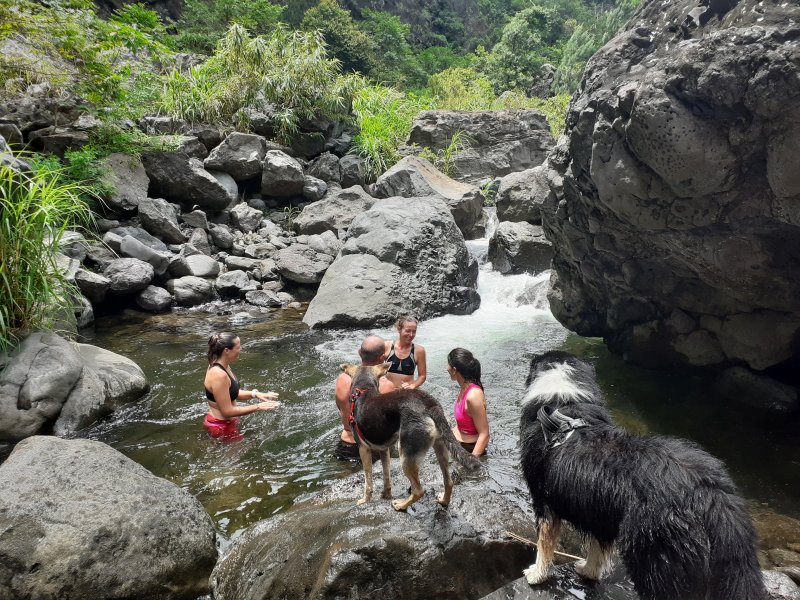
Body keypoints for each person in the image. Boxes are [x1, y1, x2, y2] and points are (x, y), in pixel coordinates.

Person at [203, 332, 279, 440]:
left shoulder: (223, 365)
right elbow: (227, 411)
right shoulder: (219, 375)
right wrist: (258, 406)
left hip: (228, 422)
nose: (241, 349)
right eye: (238, 347)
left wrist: (255, 394)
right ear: (226, 350)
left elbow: (231, 393)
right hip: (220, 426)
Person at [335, 335, 396, 460]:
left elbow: (340, 407)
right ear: (382, 358)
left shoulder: (342, 379)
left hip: (346, 444)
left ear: (359, 352)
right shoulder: (387, 385)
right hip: (372, 448)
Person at [447, 347, 489, 456]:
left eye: (448, 365)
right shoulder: (464, 387)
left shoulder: (473, 395)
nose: (447, 369)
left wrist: (470, 461)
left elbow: (484, 434)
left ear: (454, 370)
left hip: (469, 449)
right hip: (458, 445)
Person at [383, 315, 427, 390]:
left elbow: (422, 376)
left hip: (408, 392)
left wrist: (413, 386)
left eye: (414, 331)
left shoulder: (419, 350)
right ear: (399, 329)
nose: (411, 335)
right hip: (388, 391)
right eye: (408, 331)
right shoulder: (387, 346)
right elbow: (375, 368)